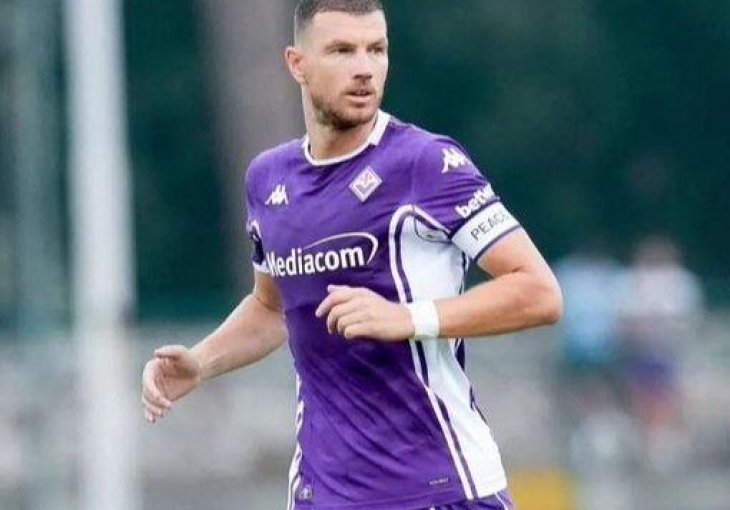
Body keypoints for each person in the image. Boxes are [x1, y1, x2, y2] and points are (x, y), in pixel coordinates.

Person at [141, 1, 563, 509]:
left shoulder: (424, 164)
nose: (364, 68)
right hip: (323, 494)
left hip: (439, 488)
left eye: (376, 50)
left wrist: (407, 318)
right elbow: (274, 307)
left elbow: (538, 292)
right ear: (297, 63)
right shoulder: (268, 179)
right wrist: (200, 362)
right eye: (342, 51)